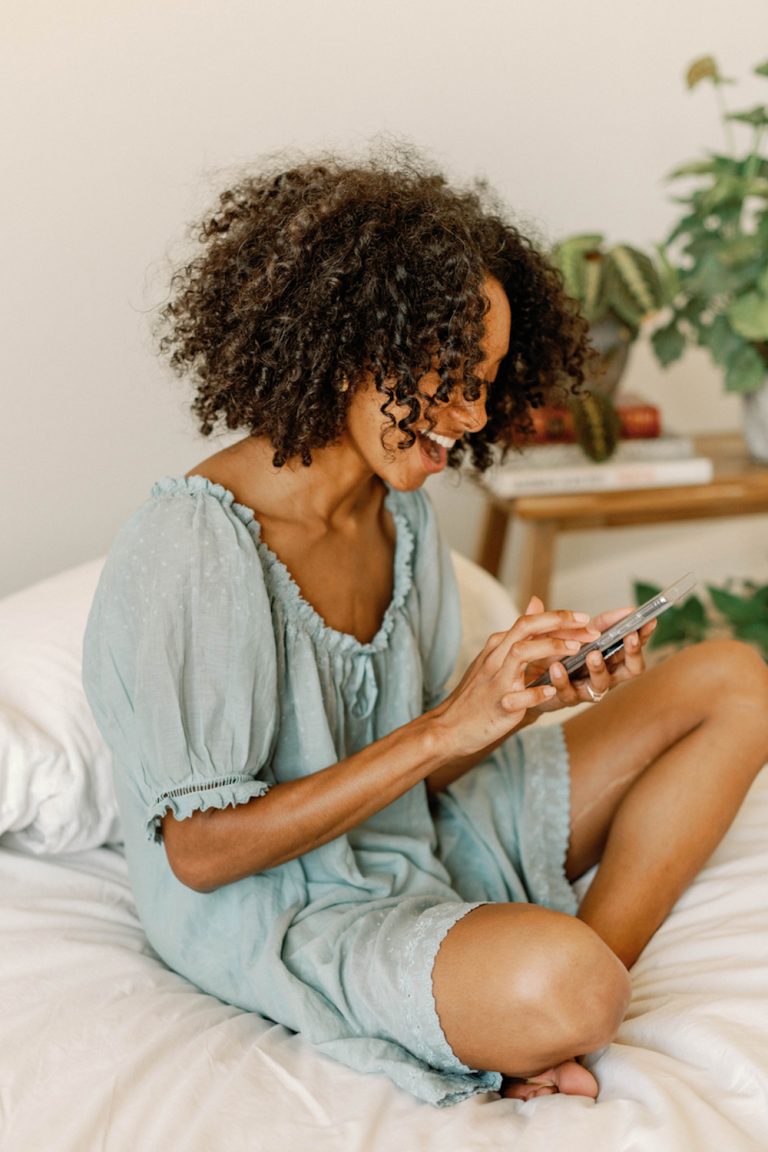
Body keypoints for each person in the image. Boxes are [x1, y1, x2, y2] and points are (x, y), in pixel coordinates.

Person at [82, 153, 768, 1107]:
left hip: (413, 835)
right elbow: (200, 853)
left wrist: (501, 708)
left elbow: (422, 770)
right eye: (450, 376)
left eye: (485, 381)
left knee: (735, 678)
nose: (475, 415)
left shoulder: (397, 512)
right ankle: (547, 995)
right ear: (351, 345)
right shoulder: (194, 544)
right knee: (565, 984)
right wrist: (445, 727)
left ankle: (549, 997)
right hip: (283, 906)